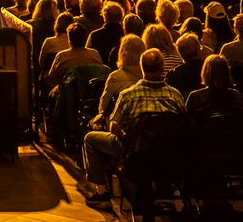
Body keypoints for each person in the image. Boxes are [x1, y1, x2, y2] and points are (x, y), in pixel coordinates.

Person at [80, 48, 186, 204]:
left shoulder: (128, 94)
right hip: (167, 149)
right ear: (162, 69)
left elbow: (114, 128)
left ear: (142, 67)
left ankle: (101, 193)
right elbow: (183, 122)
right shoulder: (175, 95)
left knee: (90, 139)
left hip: (134, 150)